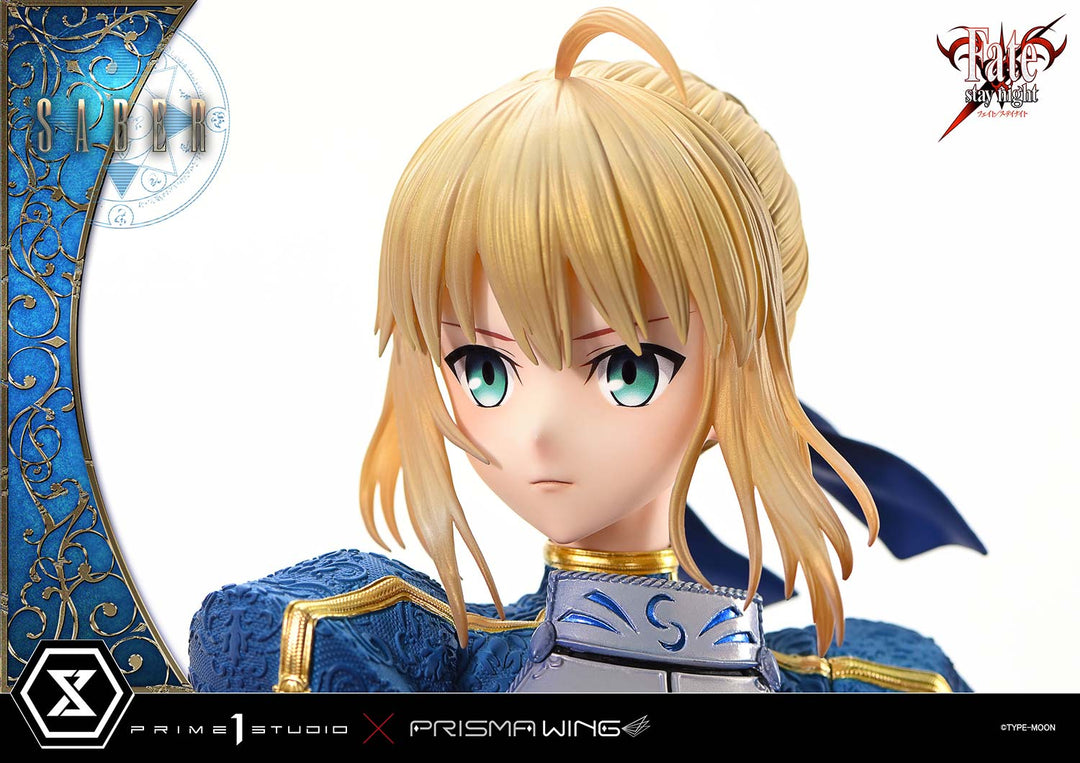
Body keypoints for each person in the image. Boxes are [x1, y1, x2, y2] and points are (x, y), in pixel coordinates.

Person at [189, 7, 972, 693]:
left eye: (627, 370)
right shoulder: (359, 637)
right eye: (485, 369)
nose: (538, 431)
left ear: (743, 360)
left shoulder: (877, 679)